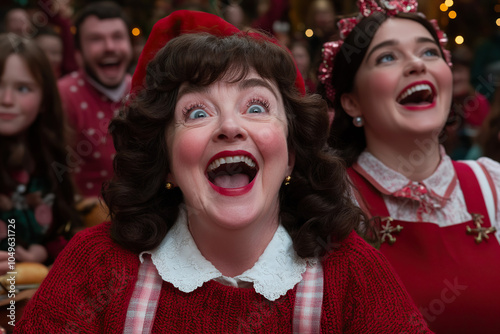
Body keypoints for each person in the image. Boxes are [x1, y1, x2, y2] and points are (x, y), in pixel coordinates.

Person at [15, 10, 432, 333]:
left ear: (290, 155)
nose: (231, 127)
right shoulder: (95, 265)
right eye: (197, 112)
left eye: (256, 107)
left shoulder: (352, 274)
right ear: (166, 163)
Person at [319, 1, 500, 333]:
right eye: (387, 57)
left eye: (430, 53)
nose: (417, 64)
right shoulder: (331, 201)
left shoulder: (493, 186)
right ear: (351, 101)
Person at [0, 34, 81, 273]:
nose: (6, 100)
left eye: (23, 88)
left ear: (44, 99)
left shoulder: (51, 158)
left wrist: (43, 251)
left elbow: (67, 227)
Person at [57, 1, 132, 199]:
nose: (109, 47)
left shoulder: (146, 92)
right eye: (96, 39)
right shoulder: (62, 96)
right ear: (79, 55)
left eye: (117, 37)